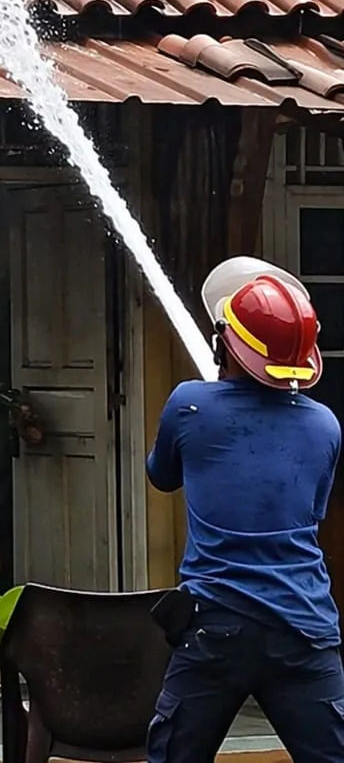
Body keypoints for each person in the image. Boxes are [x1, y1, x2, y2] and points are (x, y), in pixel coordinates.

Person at [146, 255, 344, 763]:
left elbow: (161, 475)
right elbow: (311, 510)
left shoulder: (189, 405)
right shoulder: (325, 425)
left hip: (216, 626)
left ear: (224, 345)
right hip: (304, 627)